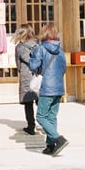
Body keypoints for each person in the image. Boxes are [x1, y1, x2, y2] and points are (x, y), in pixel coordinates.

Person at [29, 23, 67, 156]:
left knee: (40, 116)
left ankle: (58, 139)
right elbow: (64, 69)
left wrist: (31, 58)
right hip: (59, 87)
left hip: (46, 88)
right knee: (51, 117)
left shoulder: (40, 48)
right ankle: (50, 146)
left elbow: (34, 66)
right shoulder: (61, 50)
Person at [13, 23, 39, 135]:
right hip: (39, 76)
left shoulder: (19, 47)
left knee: (28, 104)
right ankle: (45, 124)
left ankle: (31, 126)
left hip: (26, 77)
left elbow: (18, 65)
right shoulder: (38, 45)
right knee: (41, 102)